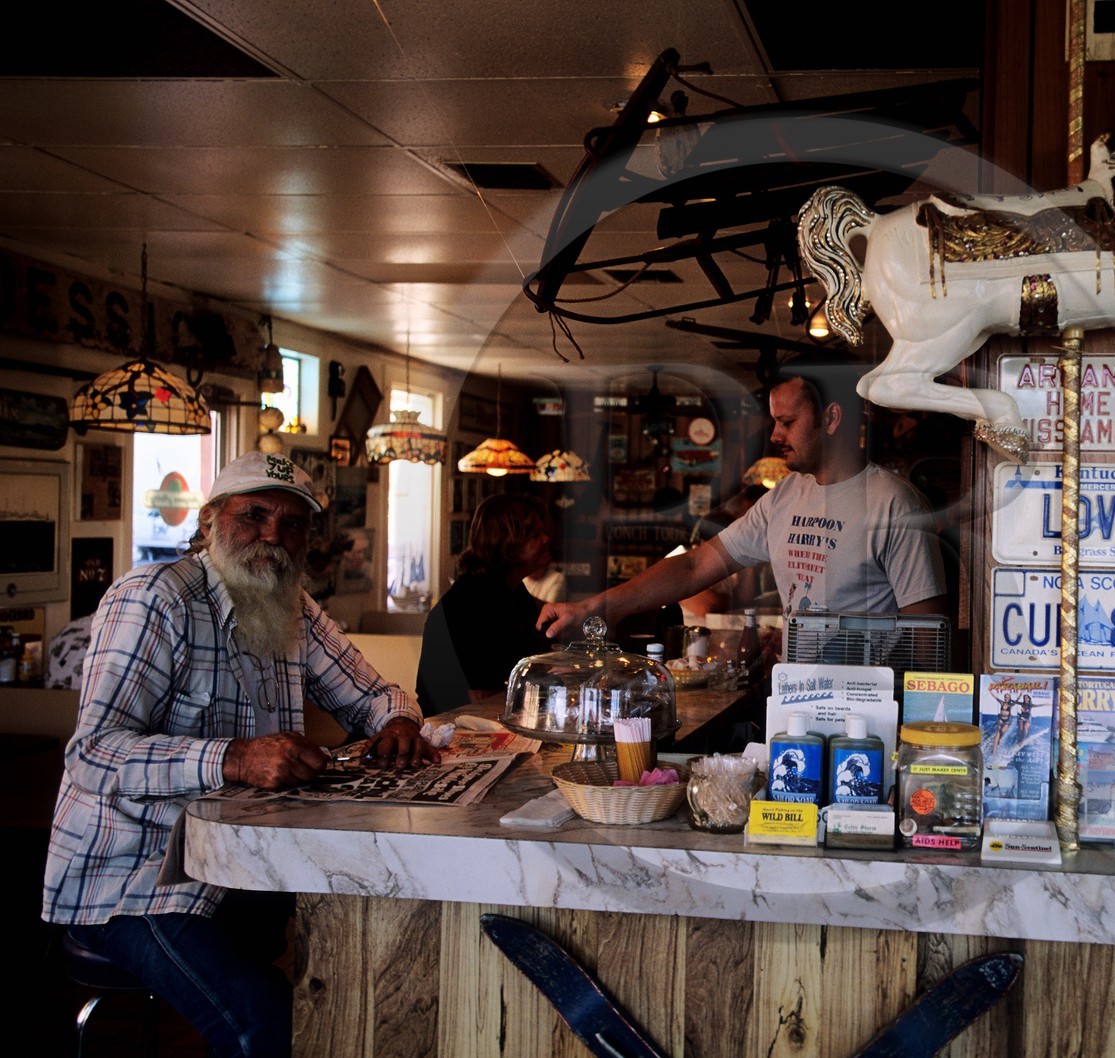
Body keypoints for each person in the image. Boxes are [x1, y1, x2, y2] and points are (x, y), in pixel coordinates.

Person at [41, 451, 437, 1058]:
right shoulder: (153, 599)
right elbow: (93, 754)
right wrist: (233, 759)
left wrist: (400, 720)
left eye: (294, 522)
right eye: (254, 514)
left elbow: (374, 695)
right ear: (208, 522)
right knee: (269, 1024)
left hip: (241, 867)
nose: (273, 535)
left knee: (375, 961)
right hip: (135, 880)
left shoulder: (292, 606)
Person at [538, 358, 947, 642]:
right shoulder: (784, 497)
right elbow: (696, 564)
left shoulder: (895, 505)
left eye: (787, 422)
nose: (774, 436)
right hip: (795, 708)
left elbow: (927, 637)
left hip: (868, 718)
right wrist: (597, 607)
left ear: (832, 418)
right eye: (774, 422)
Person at [417, 493, 555, 713]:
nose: (546, 539)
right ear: (507, 543)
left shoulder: (512, 591)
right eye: (534, 535)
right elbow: (481, 697)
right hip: (459, 727)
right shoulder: (473, 604)